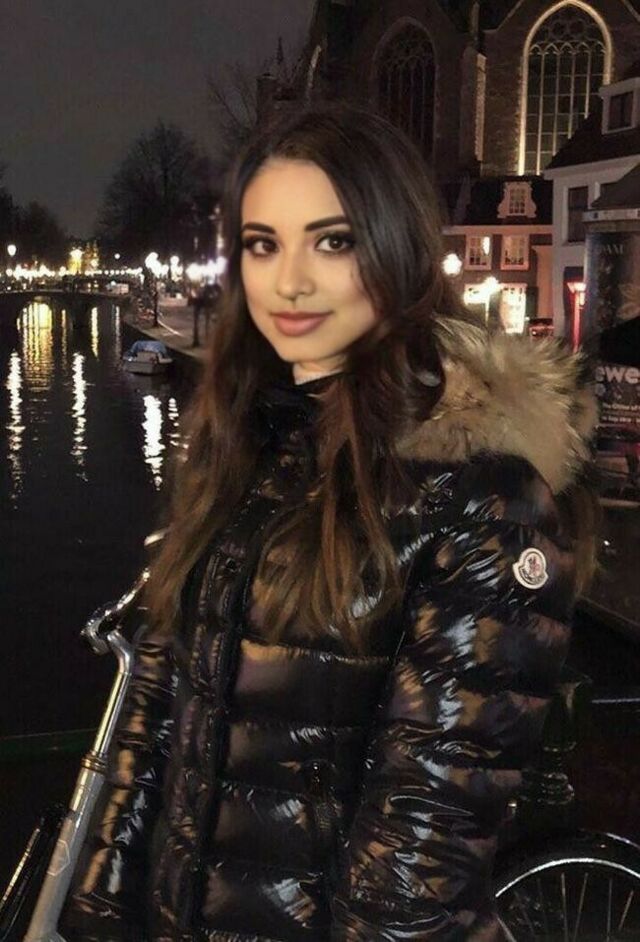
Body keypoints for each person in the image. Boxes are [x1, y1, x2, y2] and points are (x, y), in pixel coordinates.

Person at [61, 104, 598, 941]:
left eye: (333, 241)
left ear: (397, 250)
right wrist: (98, 910)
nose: (290, 282)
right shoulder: (251, 454)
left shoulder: (483, 500)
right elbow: (157, 712)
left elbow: (419, 850)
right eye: (263, 244)